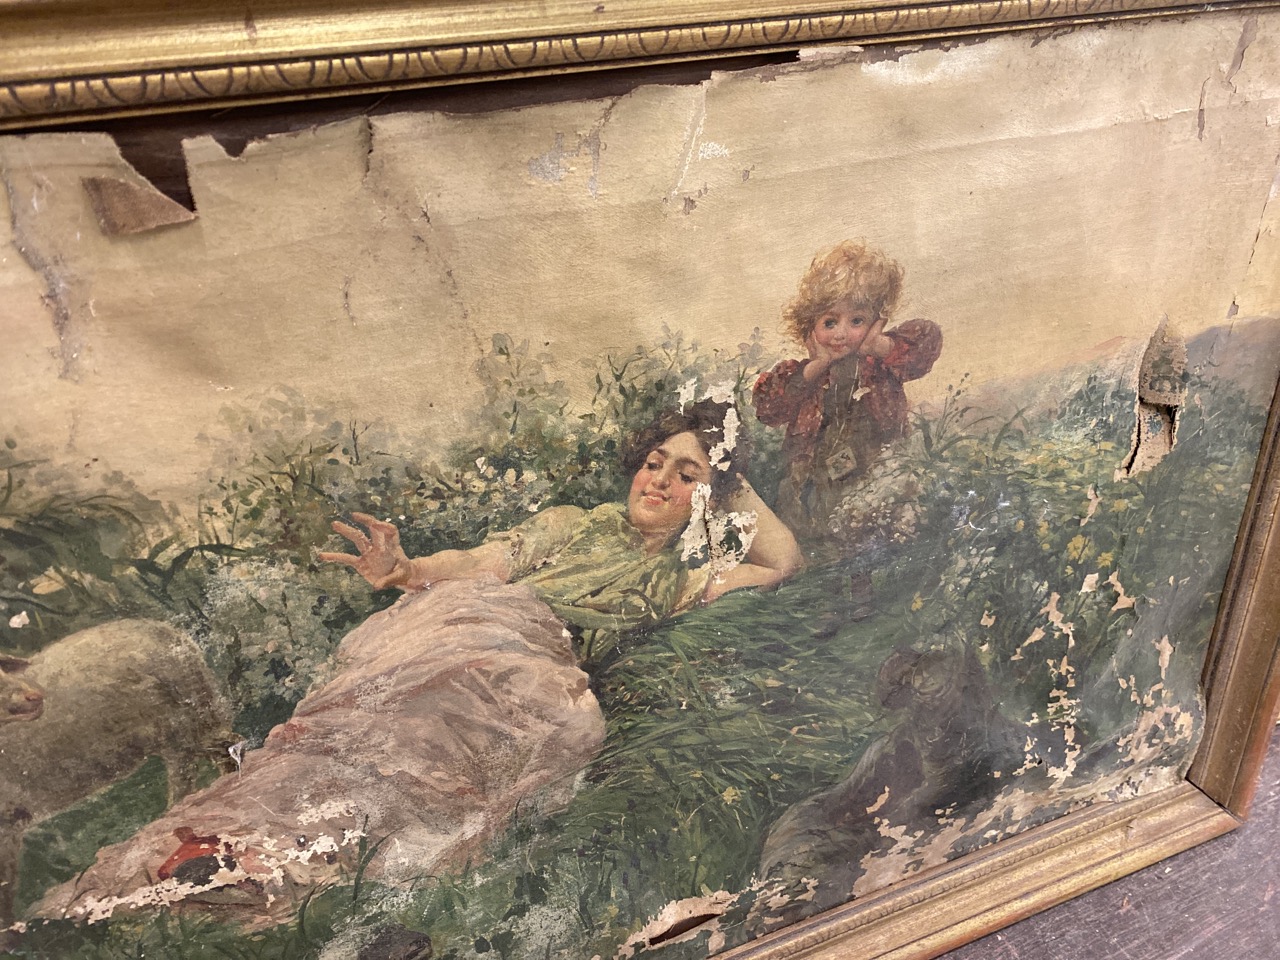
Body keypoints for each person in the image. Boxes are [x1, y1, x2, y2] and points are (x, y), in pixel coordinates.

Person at [34, 401, 801, 927]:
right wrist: (406, 572)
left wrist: (727, 464)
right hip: (479, 627)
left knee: (494, 751)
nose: (658, 480)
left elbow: (782, 561)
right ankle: (203, 847)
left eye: (686, 474)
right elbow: (480, 563)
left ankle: (269, 868)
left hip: (535, 673)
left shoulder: (683, 578)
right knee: (365, 740)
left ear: (711, 496)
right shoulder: (576, 525)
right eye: (655, 463)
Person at [753, 241, 942, 541]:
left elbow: (926, 344)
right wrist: (816, 366)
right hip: (812, 480)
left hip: (873, 473)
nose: (841, 334)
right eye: (830, 322)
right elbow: (767, 408)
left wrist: (878, 345)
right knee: (811, 535)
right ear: (809, 327)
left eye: (857, 321)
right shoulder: (804, 374)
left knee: (870, 534)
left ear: (875, 322)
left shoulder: (880, 364)